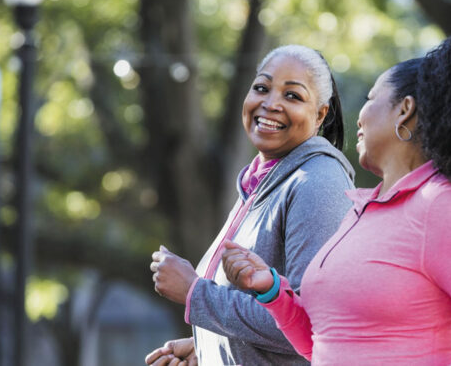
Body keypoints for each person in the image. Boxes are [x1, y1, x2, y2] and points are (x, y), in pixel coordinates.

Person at [222, 33, 451, 365]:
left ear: (405, 110)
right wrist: (273, 292)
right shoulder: (361, 212)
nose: (358, 116)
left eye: (371, 98)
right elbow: (326, 343)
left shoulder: (442, 206)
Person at [145, 45, 356, 366]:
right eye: (261, 88)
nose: (270, 104)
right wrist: (207, 347)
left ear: (321, 114)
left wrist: (194, 292)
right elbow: (263, 318)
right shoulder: (262, 182)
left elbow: (310, 325)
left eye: (293, 96)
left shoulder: (317, 181)